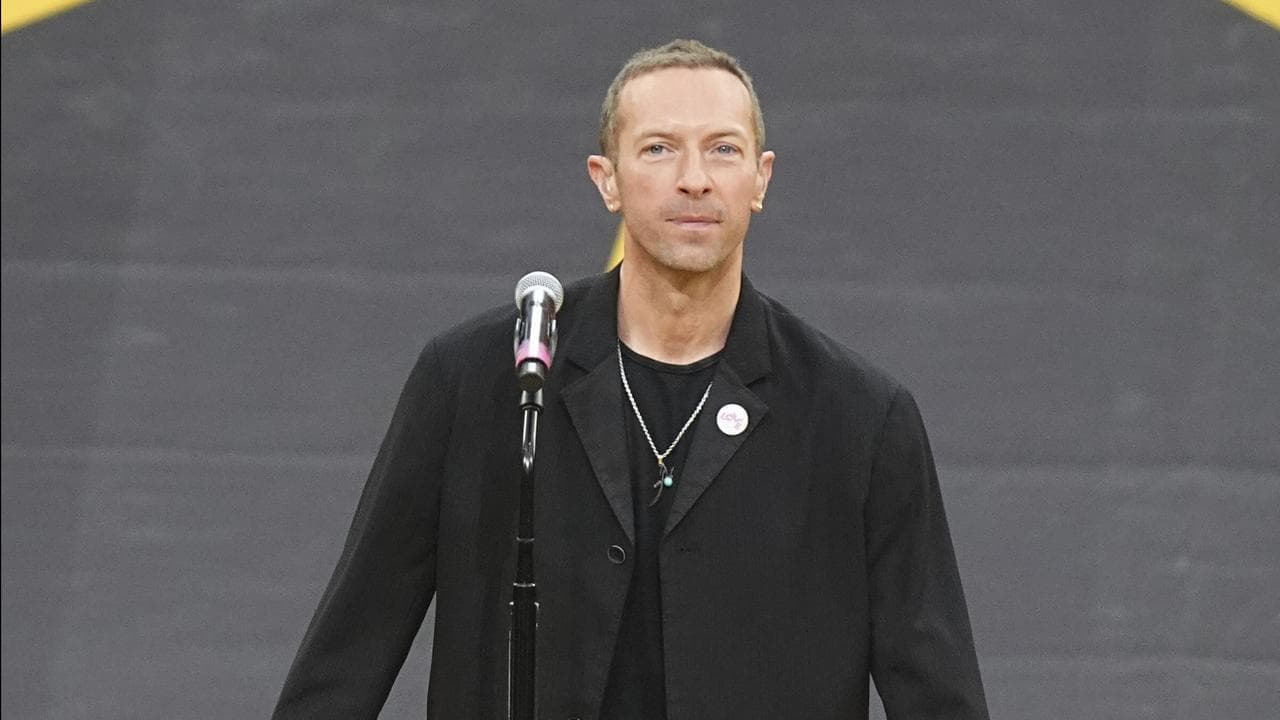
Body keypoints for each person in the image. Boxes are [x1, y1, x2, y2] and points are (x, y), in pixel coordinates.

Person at [273, 39, 988, 719]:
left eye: (723, 150)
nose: (695, 178)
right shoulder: (481, 381)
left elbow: (935, 690)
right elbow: (352, 649)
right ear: (606, 179)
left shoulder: (859, 418)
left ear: (760, 179)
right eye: (658, 149)